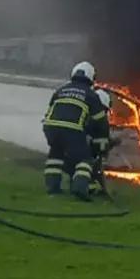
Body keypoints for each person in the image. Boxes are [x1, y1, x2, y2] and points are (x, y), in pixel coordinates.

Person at [42, 61, 107, 201]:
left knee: (55, 156)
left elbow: (49, 111)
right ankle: (80, 188)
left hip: (50, 127)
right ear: (91, 77)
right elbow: (100, 120)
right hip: (72, 129)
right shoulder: (90, 94)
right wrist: (102, 140)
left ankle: (52, 188)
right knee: (84, 159)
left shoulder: (61, 90)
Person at [87, 89, 116, 196]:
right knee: (93, 165)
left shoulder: (86, 112)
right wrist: (111, 144)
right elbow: (102, 144)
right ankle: (90, 188)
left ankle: (90, 186)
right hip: (86, 153)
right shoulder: (100, 119)